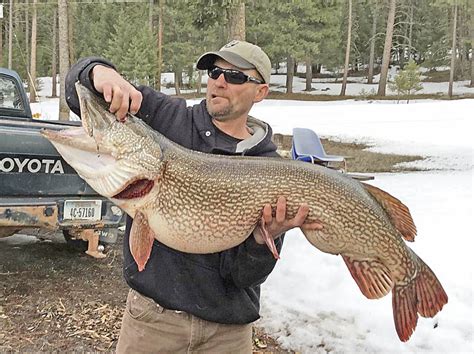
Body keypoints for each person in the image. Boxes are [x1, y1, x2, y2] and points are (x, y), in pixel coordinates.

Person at [65, 40, 322, 353]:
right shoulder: (165, 116)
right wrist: (100, 72)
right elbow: (80, 89)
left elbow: (244, 276)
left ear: (261, 92)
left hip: (227, 334)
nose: (220, 82)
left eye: (236, 76)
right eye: (215, 72)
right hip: (152, 322)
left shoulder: (268, 168)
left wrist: (261, 241)